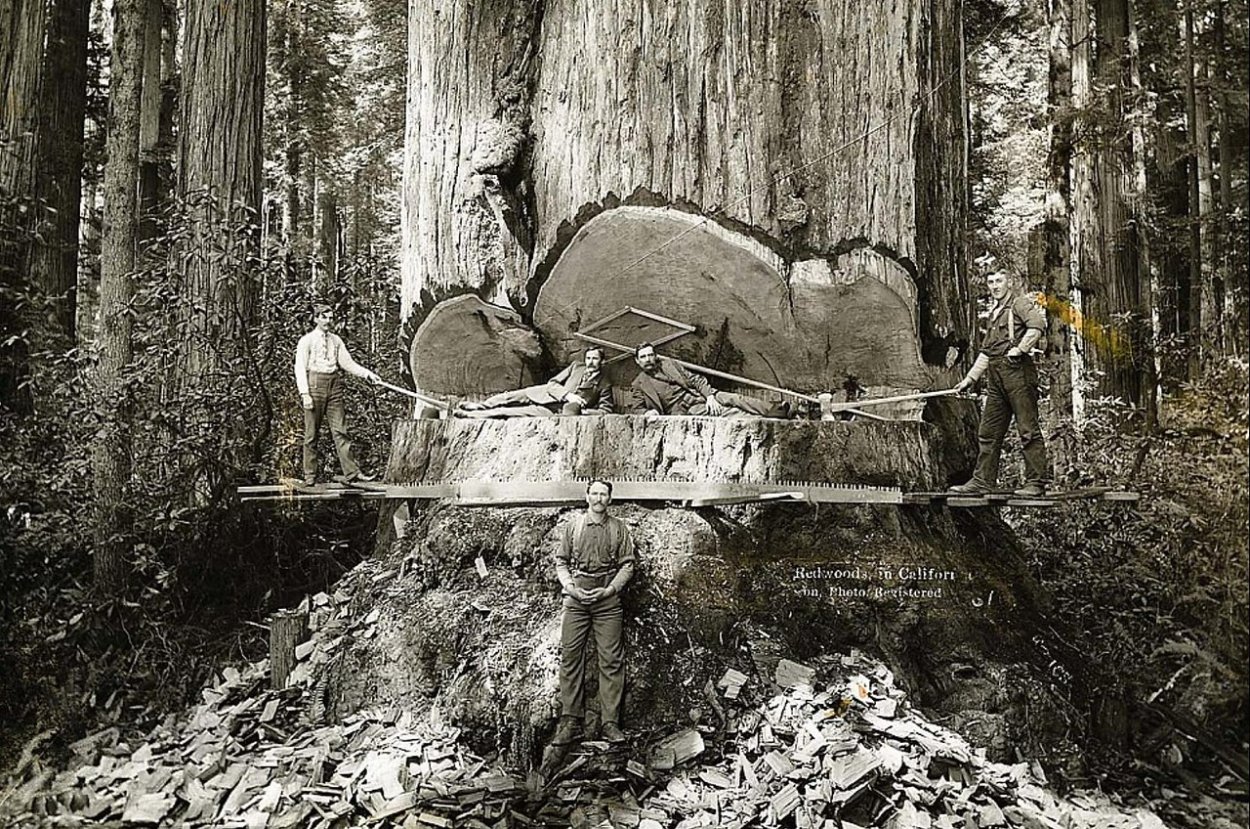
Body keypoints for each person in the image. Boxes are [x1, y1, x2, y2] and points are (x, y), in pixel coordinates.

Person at [949, 272, 1050, 497]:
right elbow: (987, 352)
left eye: (999, 281)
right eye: (991, 282)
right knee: (988, 431)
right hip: (996, 377)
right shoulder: (995, 314)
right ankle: (982, 482)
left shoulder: (1020, 303)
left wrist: (1020, 349)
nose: (994, 286)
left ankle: (1035, 483)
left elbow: (1037, 325)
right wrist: (969, 379)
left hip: (1018, 372)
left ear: (1010, 283)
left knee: (1027, 429)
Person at [553, 479, 635, 745]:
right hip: (576, 599)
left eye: (604, 494)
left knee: (611, 659)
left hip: (606, 601)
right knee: (570, 656)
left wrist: (609, 591)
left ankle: (610, 722)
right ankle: (569, 719)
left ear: (610, 499)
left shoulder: (618, 529)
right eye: (595, 493)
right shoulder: (573, 527)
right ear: (587, 496)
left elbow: (627, 566)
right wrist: (570, 587)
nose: (599, 498)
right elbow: (561, 562)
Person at [294, 303, 381, 486]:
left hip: (334, 385)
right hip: (314, 385)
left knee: (341, 431)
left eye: (331, 317)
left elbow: (347, 363)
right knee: (311, 434)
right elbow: (300, 368)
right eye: (324, 317)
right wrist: (305, 394)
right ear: (316, 318)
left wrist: (367, 374)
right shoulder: (306, 340)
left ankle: (352, 473)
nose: (328, 321)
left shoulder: (336, 340)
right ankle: (310, 475)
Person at [629, 342, 790, 418]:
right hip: (684, 410)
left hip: (701, 394)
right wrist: (647, 412)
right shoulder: (639, 384)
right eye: (643, 357)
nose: (648, 359)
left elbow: (696, 379)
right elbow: (636, 408)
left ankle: (777, 410)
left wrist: (710, 396)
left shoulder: (670, 364)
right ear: (637, 361)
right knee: (726, 412)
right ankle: (764, 421)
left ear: (655, 356)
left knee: (734, 398)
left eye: (650, 355)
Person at [457, 347, 614, 418]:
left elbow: (606, 411)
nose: (590, 362)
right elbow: (553, 383)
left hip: (556, 411)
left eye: (594, 359)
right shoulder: (576, 366)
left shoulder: (604, 383)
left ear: (602, 361)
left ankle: (473, 415)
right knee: (508, 398)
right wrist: (567, 395)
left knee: (509, 412)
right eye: (588, 358)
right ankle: (482, 405)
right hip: (544, 392)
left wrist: (581, 412)